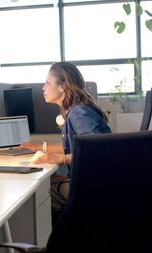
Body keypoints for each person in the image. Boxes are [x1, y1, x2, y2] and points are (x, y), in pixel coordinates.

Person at [20, 61, 111, 212]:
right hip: (93, 180)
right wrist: (39, 147)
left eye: (47, 83)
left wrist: (60, 159)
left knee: (35, 193)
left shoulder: (78, 113)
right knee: (46, 181)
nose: (43, 88)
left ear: (62, 87)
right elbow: (73, 147)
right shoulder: (76, 109)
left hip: (91, 187)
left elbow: (95, 150)